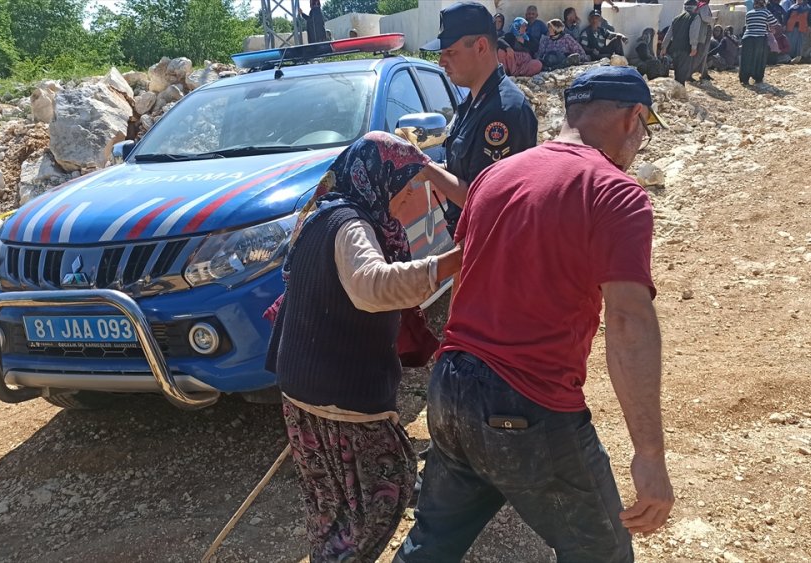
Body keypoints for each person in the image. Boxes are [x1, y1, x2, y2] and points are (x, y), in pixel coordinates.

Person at [392, 65, 674, 563]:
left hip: (452, 386)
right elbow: (629, 321)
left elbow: (466, 284)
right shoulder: (616, 193)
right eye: (645, 130)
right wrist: (649, 454)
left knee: (430, 545)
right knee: (602, 554)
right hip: (527, 405)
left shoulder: (494, 178)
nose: (641, 145)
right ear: (634, 119)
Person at [264, 132, 463, 563]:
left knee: (330, 507)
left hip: (304, 386)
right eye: (409, 186)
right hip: (339, 393)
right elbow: (372, 288)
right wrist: (455, 261)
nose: (413, 199)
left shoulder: (324, 213)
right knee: (379, 500)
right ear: (381, 179)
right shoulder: (350, 225)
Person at [421, 1, 538, 237]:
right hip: (473, 245)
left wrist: (424, 168)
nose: (441, 62)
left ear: (481, 46)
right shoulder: (473, 102)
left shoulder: (503, 111)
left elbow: (482, 201)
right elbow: (464, 171)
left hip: (495, 254)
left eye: (450, 52)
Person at [740, 0, 781, 83]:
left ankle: (744, 78)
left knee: (747, 59)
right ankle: (757, 77)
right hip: (759, 38)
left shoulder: (749, 13)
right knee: (759, 58)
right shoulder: (765, 12)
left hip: (747, 37)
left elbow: (748, 25)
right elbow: (775, 23)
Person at [662, 0, 701, 84]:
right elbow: (693, 33)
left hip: (674, 48)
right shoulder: (695, 17)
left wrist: (664, 47)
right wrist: (694, 47)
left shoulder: (676, 18)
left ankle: (677, 90)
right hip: (685, 49)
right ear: (695, 7)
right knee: (682, 74)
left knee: (677, 72)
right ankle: (680, 93)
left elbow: (668, 35)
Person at [692, 0, 716, 81]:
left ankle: (704, 73)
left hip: (700, 33)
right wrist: (713, 19)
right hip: (703, 34)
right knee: (700, 54)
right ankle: (689, 73)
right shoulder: (704, 6)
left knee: (703, 54)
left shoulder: (698, 5)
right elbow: (705, 18)